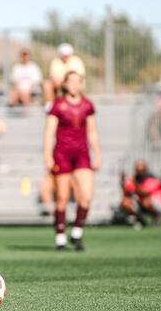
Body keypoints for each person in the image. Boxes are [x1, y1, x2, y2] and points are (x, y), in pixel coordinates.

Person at [44, 71, 101, 251]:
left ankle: (76, 232)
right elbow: (49, 132)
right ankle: (60, 236)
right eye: (71, 81)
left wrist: (98, 153)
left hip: (82, 154)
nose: (75, 85)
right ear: (66, 84)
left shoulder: (87, 105)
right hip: (62, 153)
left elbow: (92, 131)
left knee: (86, 196)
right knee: (62, 197)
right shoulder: (58, 105)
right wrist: (47, 156)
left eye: (78, 82)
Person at [120, 160, 161, 227]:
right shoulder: (136, 179)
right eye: (137, 170)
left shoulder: (151, 179)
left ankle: (156, 217)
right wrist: (122, 182)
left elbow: (144, 193)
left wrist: (135, 183)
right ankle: (140, 220)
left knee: (146, 201)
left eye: (140, 170)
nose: (138, 172)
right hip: (143, 204)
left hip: (159, 206)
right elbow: (126, 193)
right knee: (125, 202)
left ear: (145, 170)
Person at [42, 43, 85, 108]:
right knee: (47, 84)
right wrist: (65, 82)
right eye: (64, 55)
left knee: (73, 83)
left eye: (67, 55)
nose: (65, 57)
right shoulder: (56, 61)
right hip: (61, 84)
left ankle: (79, 107)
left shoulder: (77, 61)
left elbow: (79, 77)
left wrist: (69, 81)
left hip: (72, 83)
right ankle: (49, 107)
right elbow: (54, 77)